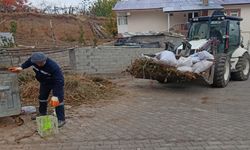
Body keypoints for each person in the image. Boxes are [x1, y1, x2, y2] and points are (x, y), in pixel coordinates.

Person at [9, 52, 66, 128]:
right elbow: (28, 62)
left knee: (57, 101)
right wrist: (20, 67)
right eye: (37, 63)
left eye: (41, 63)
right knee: (42, 98)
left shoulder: (53, 67)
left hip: (55, 83)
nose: (39, 64)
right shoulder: (33, 61)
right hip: (44, 82)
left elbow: (59, 81)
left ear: (44, 60)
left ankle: (61, 119)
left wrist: (55, 95)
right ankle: (42, 113)